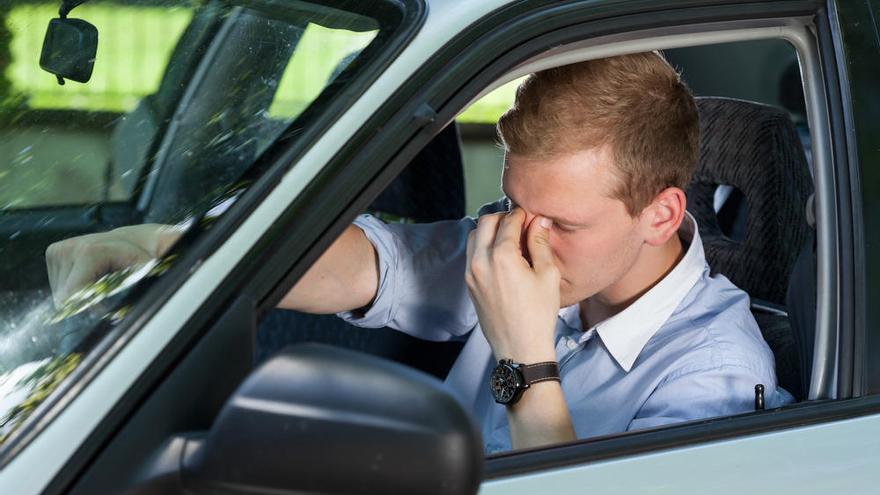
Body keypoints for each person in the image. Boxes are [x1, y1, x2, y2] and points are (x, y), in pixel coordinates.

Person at [46, 52, 793, 454]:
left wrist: (524, 354)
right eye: (511, 203)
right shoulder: (519, 242)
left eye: (560, 221)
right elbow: (369, 262)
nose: (521, 241)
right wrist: (158, 247)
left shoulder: (715, 376)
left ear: (660, 213)